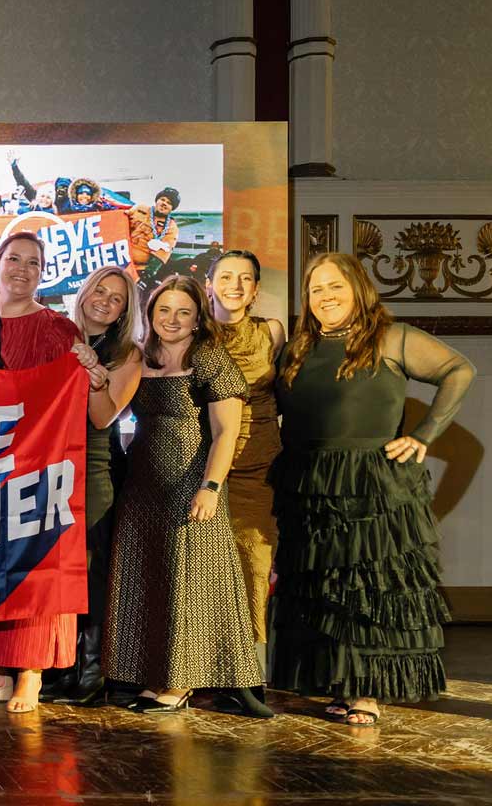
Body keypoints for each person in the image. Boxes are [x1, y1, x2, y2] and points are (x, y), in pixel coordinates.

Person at [272, 253, 475, 727]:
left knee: (368, 589)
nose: (326, 296)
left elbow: (459, 369)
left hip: (374, 482)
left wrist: (424, 434)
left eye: (336, 286)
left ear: (359, 288)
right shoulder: (297, 347)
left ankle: (366, 692)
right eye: (317, 288)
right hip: (309, 480)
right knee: (323, 588)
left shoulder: (391, 337)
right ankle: (337, 685)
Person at [102, 275, 268, 715]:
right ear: (150, 315)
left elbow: (226, 431)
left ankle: (179, 685)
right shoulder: (138, 356)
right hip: (142, 483)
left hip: (191, 483)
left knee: (188, 584)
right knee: (147, 580)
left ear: (197, 319)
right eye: (163, 311)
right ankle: (148, 675)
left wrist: (210, 487)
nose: (172, 320)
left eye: (183, 312)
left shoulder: (210, 358)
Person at [0, 233, 98, 714]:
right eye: (13, 259)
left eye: (33, 263)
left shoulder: (58, 329)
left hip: (38, 468)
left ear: (44, 272)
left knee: (36, 567)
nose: (21, 268)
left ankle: (31, 672)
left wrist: (87, 367)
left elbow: (73, 398)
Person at [48, 264, 143, 707]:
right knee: (53, 576)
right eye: (99, 290)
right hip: (46, 469)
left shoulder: (127, 354)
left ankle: (90, 675)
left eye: (117, 298)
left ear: (125, 311)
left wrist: (95, 376)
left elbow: (103, 417)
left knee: (89, 575)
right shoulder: (54, 333)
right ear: (84, 292)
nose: (104, 300)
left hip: (94, 472)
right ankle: (56, 668)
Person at [205, 250, 285, 710]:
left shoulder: (271, 332)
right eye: (227, 277)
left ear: (255, 289)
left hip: (258, 464)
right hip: (203, 464)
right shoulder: (194, 331)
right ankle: (199, 666)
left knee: (254, 565)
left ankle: (250, 674)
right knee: (203, 571)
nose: (236, 285)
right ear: (210, 284)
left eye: (246, 278)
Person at [128, 187, 181, 281]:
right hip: (122, 261)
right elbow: (121, 217)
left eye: (169, 203)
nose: (164, 203)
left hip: (139, 270)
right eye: (162, 199)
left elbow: (163, 252)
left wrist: (147, 275)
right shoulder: (140, 209)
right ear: (157, 200)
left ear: (172, 208)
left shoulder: (171, 227)